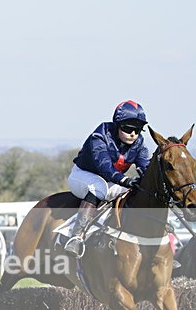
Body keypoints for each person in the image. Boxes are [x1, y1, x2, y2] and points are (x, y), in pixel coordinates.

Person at [64, 100, 149, 256]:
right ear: (117, 125)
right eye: (128, 128)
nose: (133, 134)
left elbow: (146, 168)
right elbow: (105, 167)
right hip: (83, 176)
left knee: (137, 193)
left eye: (138, 130)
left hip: (111, 181)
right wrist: (126, 180)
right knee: (99, 187)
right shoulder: (100, 136)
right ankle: (76, 236)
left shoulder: (139, 143)